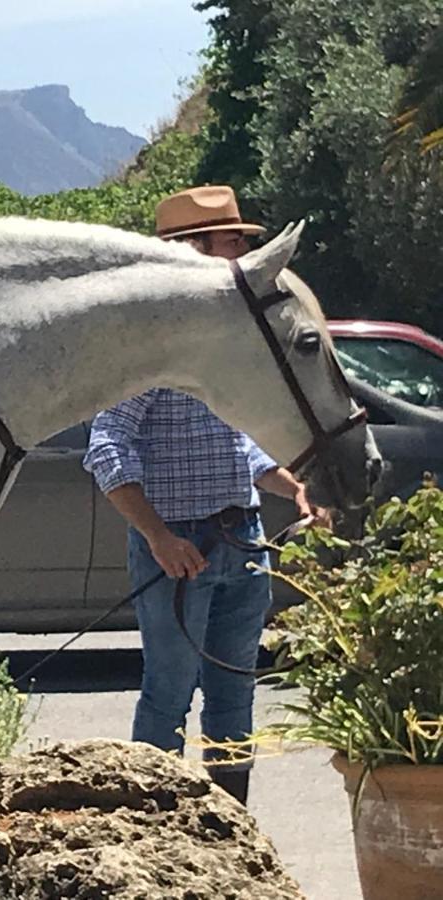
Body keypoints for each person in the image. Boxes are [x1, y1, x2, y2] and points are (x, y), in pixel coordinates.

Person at [82, 185, 327, 806]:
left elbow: (238, 446)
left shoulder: (225, 348)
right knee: (168, 693)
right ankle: (154, 831)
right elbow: (106, 445)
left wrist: (290, 484)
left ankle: (230, 832)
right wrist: (159, 537)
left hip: (242, 540)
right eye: (232, 243)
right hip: (179, 551)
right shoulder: (149, 352)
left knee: (234, 694)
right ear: (191, 253)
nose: (245, 253)